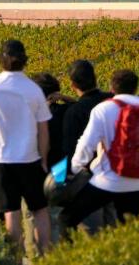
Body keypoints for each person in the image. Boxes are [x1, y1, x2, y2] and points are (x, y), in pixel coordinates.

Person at [0, 39, 53, 255]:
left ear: (1, 60)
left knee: (11, 212)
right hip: (30, 158)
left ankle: (15, 258)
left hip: (1, 160)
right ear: (24, 61)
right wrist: (44, 159)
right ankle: (45, 256)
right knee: (40, 210)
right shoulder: (34, 90)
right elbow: (43, 130)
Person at [64, 69, 139, 230]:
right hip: (136, 182)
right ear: (135, 88)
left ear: (112, 88)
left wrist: (75, 169)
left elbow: (87, 143)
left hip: (106, 180)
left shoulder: (103, 109)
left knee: (66, 219)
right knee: (128, 228)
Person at [61, 60, 114, 234]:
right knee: (118, 232)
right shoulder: (112, 100)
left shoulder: (74, 113)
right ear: (95, 77)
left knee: (94, 235)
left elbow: (69, 152)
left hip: (90, 180)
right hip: (117, 174)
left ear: (72, 84)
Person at [30, 73, 72, 248]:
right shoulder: (67, 111)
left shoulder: (33, 116)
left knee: (35, 214)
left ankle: (38, 252)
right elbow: (84, 106)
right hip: (60, 168)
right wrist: (66, 98)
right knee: (56, 212)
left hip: (37, 168)